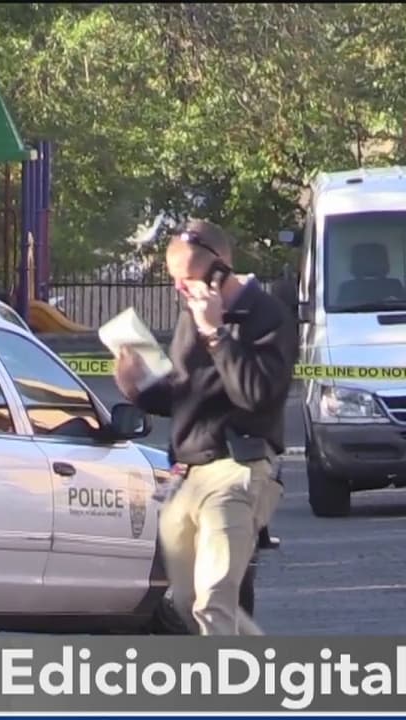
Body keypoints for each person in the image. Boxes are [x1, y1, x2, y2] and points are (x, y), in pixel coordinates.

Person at [113, 219, 297, 635]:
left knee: (214, 599)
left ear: (219, 269)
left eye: (187, 279)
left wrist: (216, 333)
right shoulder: (189, 320)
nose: (180, 289)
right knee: (187, 600)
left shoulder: (268, 317)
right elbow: (185, 397)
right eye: (174, 280)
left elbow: (256, 394)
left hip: (238, 468)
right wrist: (137, 386)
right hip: (189, 475)